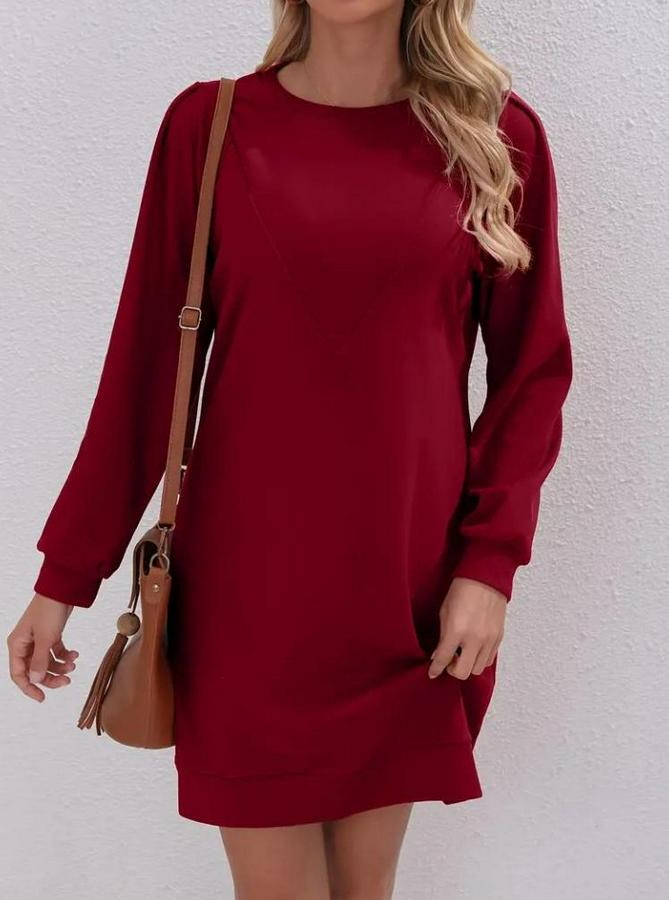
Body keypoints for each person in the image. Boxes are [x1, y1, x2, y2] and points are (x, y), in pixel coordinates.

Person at [7, 1, 573, 897]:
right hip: (248, 601)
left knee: (363, 891)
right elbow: (145, 369)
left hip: (408, 598)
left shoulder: (496, 136)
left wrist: (489, 566)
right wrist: (64, 577)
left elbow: (530, 378)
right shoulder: (210, 125)